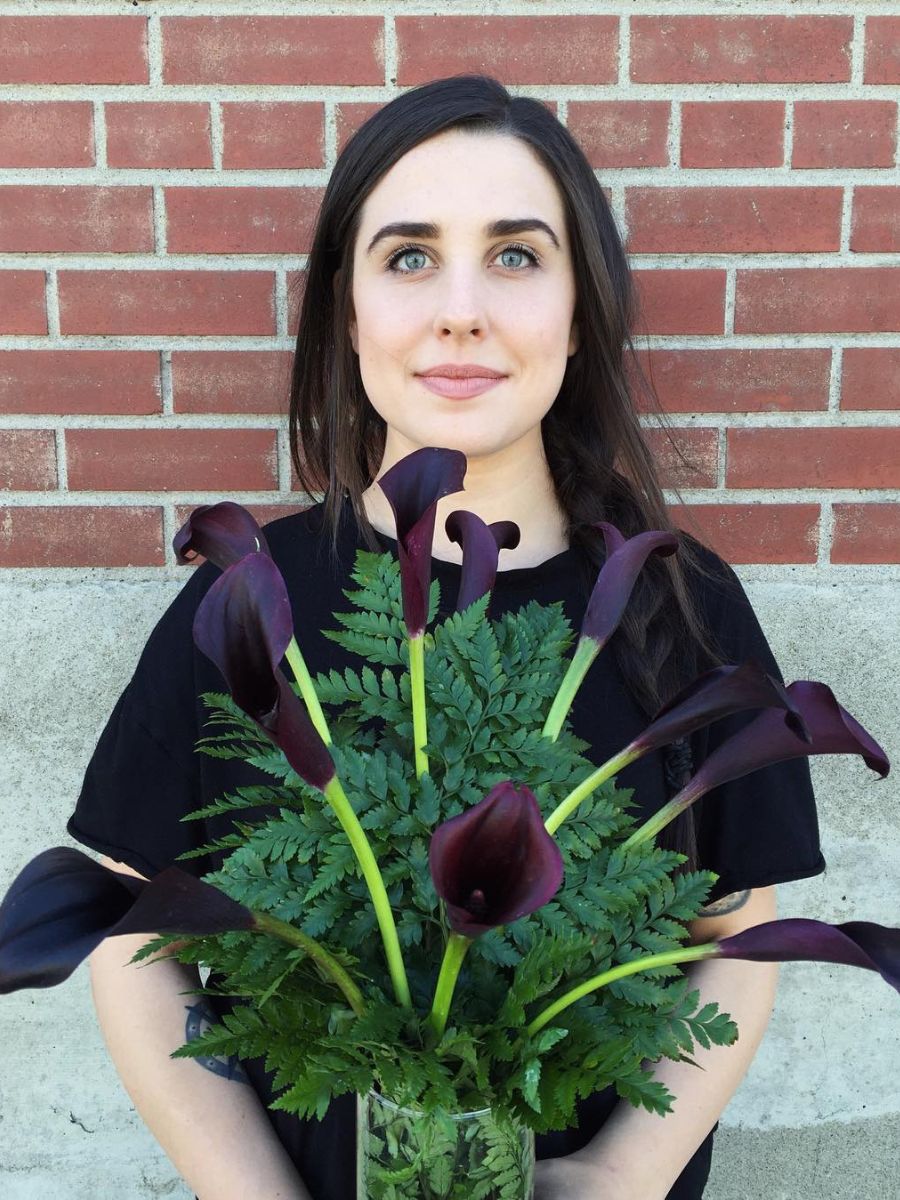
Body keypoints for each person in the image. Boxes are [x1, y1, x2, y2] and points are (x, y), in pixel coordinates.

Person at [68, 75, 825, 1200]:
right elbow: (131, 936)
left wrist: (624, 1175)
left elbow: (731, 933)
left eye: (517, 256)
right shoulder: (243, 600)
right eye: (409, 257)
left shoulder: (685, 606)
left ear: (582, 307)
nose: (460, 310)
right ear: (348, 307)